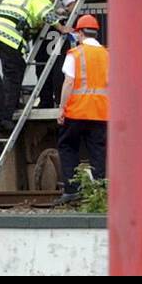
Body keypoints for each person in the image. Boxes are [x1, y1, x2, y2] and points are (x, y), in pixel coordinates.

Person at [0, 0, 69, 132]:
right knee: (14, 75)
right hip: (8, 34)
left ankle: (8, 106)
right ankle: (5, 118)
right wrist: (61, 28)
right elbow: (46, 14)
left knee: (14, 69)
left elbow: (30, 21)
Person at [55, 15, 109, 204]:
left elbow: (69, 82)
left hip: (76, 111)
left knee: (68, 147)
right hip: (101, 112)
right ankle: (100, 191)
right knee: (98, 150)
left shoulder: (75, 53)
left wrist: (62, 108)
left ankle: (72, 190)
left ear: (79, 33)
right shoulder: (107, 54)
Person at [21, 0, 76, 108]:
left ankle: (59, 98)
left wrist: (62, 12)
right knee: (40, 64)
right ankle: (45, 100)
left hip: (56, 30)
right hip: (39, 31)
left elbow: (71, 4)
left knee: (58, 65)